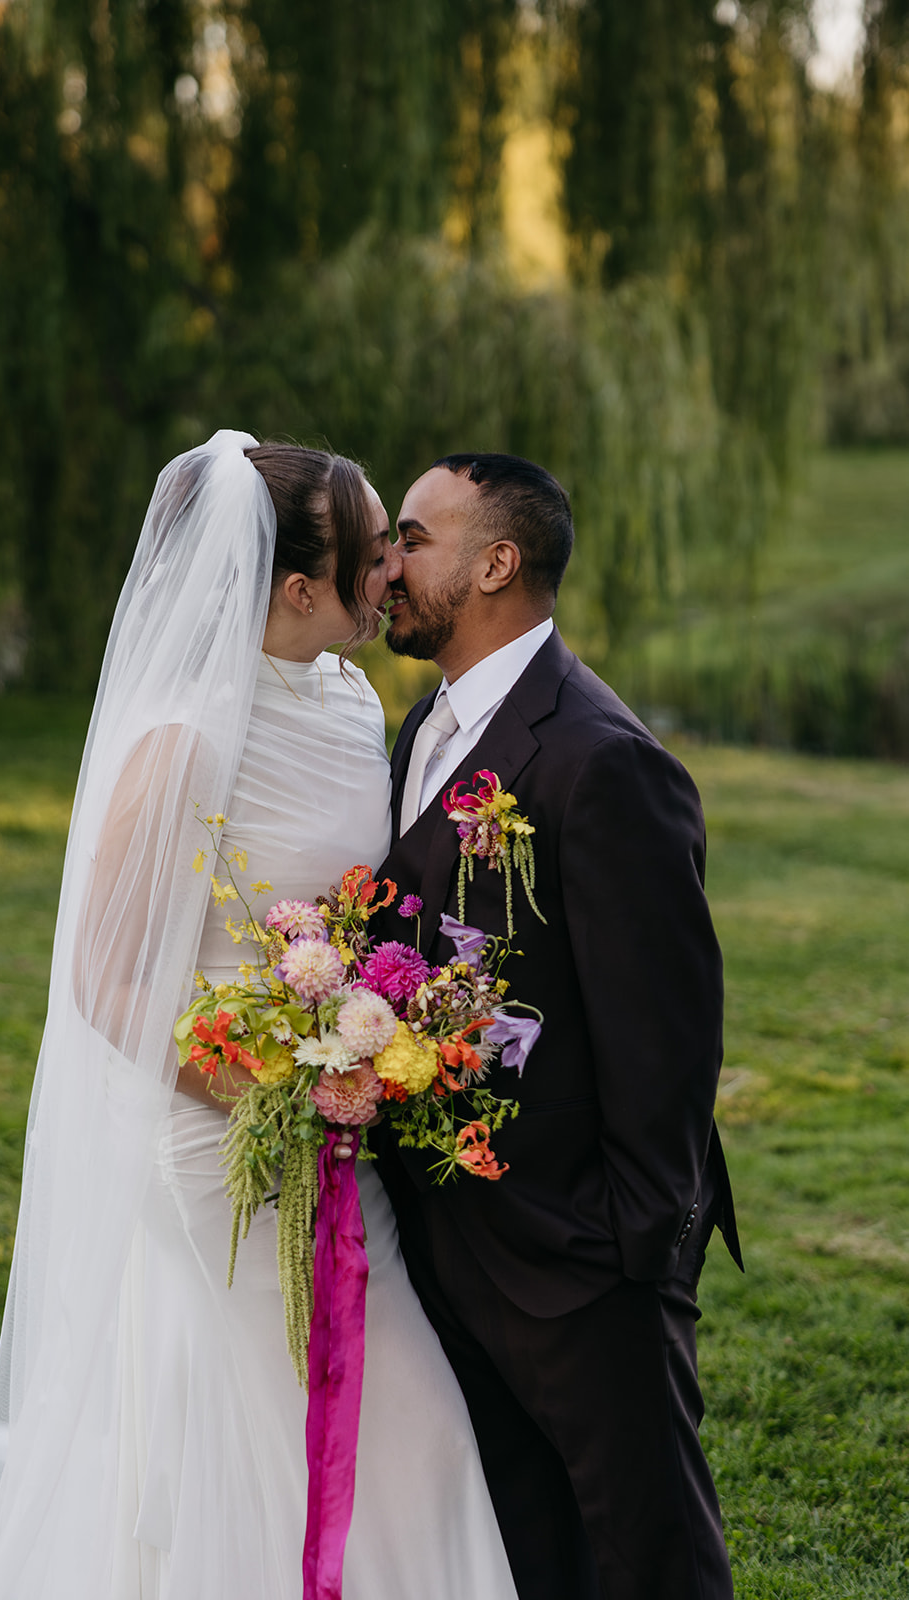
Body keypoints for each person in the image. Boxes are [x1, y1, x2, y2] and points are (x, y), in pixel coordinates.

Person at [0, 432, 516, 1600]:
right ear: (298, 586)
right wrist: (278, 1089)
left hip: (333, 1132)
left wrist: (371, 1034)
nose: (389, 580)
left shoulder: (350, 697)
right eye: (368, 558)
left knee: (374, 1427)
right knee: (304, 1429)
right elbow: (106, 983)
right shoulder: (182, 740)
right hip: (223, 1148)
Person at [370, 452, 744, 1600]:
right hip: (449, 1228)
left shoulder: (604, 760)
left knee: (649, 1554)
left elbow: (665, 1032)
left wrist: (635, 1252)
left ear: (496, 562)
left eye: (411, 537)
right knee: (525, 1541)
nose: (386, 563)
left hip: (577, 1256)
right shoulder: (428, 721)